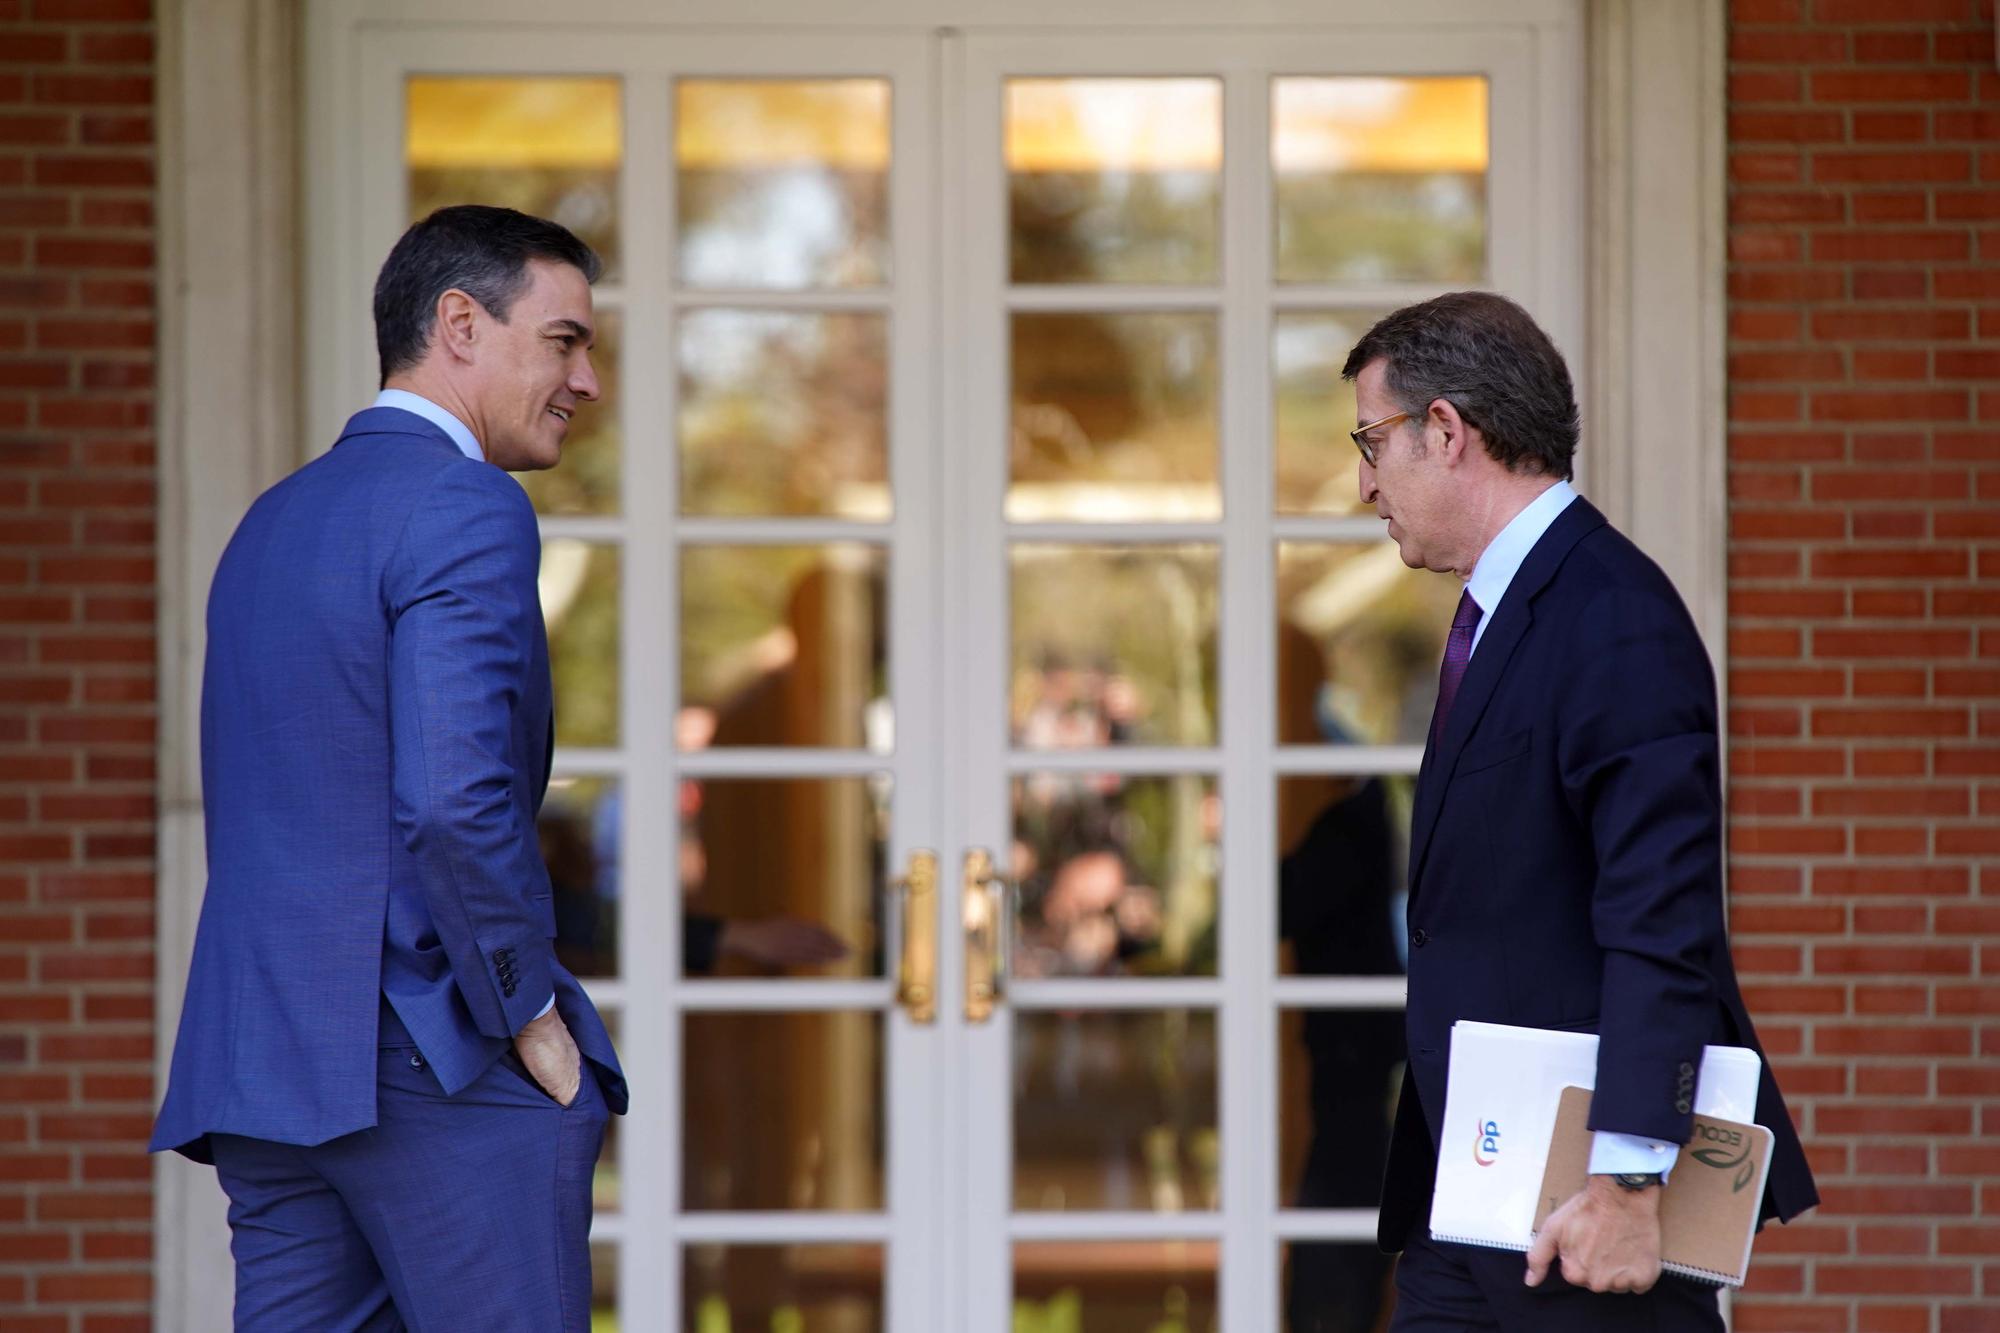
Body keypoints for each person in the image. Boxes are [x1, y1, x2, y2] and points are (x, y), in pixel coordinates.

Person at [151, 205, 627, 1331]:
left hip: (269, 1065)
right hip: (433, 1060)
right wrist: (528, 1016)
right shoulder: (465, 503)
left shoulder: (273, 519)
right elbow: (455, 801)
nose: (587, 380)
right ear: (458, 324)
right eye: (565, 340)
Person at [1343, 292, 1817, 1330]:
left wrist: (1628, 1180)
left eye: (1370, 441)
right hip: (1465, 1205)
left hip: (1580, 1216)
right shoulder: (1500, 612)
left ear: (1445, 431)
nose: (1363, 483)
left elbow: (1663, 923)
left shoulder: (1613, 617)